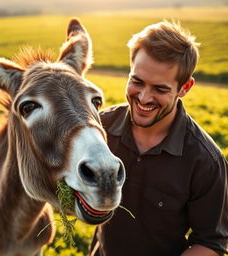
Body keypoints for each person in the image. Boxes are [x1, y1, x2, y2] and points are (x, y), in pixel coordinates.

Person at [89, 20, 228, 256]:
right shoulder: (98, 129)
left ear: (185, 87)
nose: (143, 98)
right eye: (137, 81)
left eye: (160, 89)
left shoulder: (206, 162)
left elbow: (210, 242)